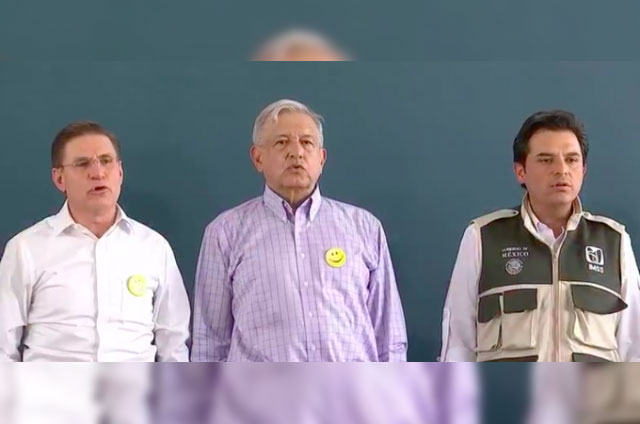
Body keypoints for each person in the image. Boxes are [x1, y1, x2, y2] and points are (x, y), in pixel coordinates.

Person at [191, 99, 407, 361]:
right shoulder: (225, 233)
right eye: (282, 142)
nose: (296, 152)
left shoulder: (364, 228)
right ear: (258, 158)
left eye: (307, 142)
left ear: (321, 158)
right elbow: (210, 342)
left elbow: (389, 338)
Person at [440, 110, 640, 362]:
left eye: (572, 160)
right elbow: (459, 344)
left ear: (583, 169)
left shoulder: (613, 241)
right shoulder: (482, 237)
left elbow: (634, 347)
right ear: (520, 171)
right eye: (546, 160)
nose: (561, 170)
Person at [0, 121, 190, 361]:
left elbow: (174, 344)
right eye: (82, 164)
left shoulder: (154, 248)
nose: (98, 173)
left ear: (120, 172)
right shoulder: (26, 249)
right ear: (59, 179)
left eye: (106, 161)